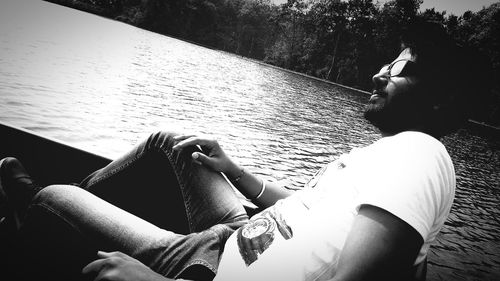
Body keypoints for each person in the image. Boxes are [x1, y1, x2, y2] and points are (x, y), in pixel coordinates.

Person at [0, 21, 490, 281]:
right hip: (241, 234)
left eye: (399, 69)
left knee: (53, 196)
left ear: (440, 100)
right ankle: (72, 218)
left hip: (217, 269)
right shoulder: (393, 154)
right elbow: (305, 210)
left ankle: (39, 211)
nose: (379, 74)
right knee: (172, 143)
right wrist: (232, 169)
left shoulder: (421, 156)